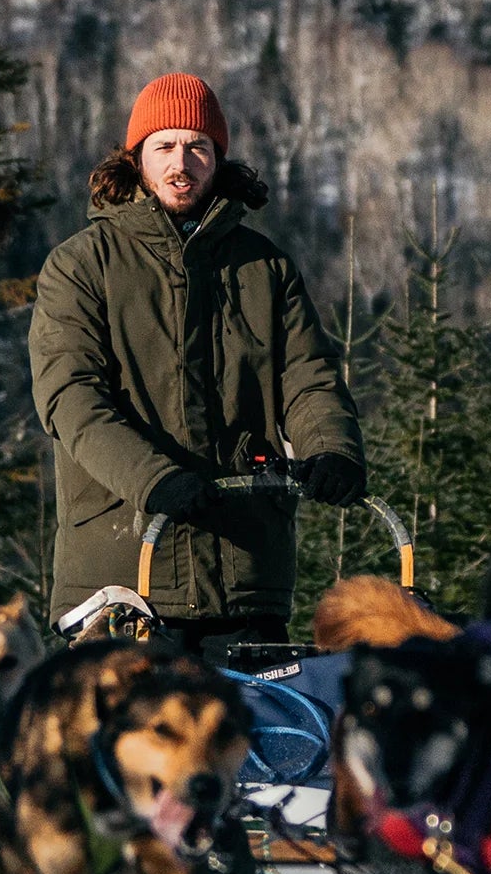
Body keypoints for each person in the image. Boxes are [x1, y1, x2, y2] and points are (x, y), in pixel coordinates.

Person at [29, 72, 366, 652]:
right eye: (163, 146)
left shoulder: (265, 268)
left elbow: (308, 379)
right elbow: (71, 398)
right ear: (136, 157)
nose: (180, 162)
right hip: (121, 583)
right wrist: (152, 479)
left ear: (218, 159)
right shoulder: (82, 265)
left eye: (197, 146)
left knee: (259, 740)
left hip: (245, 576)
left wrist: (331, 449)